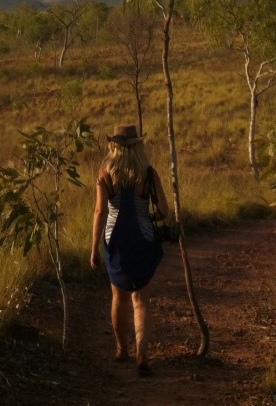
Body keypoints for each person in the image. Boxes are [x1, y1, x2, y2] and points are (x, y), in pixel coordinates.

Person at [89, 124, 170, 376]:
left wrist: (94, 249)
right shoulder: (148, 173)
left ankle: (121, 349)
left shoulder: (104, 174)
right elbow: (165, 211)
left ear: (113, 146)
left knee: (120, 297)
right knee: (141, 301)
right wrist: (149, 216)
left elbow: (101, 212)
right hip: (143, 239)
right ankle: (142, 354)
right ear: (137, 145)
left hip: (116, 242)